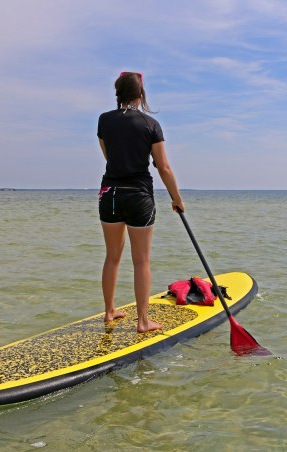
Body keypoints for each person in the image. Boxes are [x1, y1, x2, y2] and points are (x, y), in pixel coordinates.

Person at [97, 71, 185, 333]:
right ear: (140, 94)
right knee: (141, 261)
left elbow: (108, 156)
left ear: (119, 93)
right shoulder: (150, 124)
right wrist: (176, 198)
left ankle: (110, 311)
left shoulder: (104, 120)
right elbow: (164, 167)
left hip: (110, 193)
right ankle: (143, 321)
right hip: (139, 195)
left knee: (112, 257)